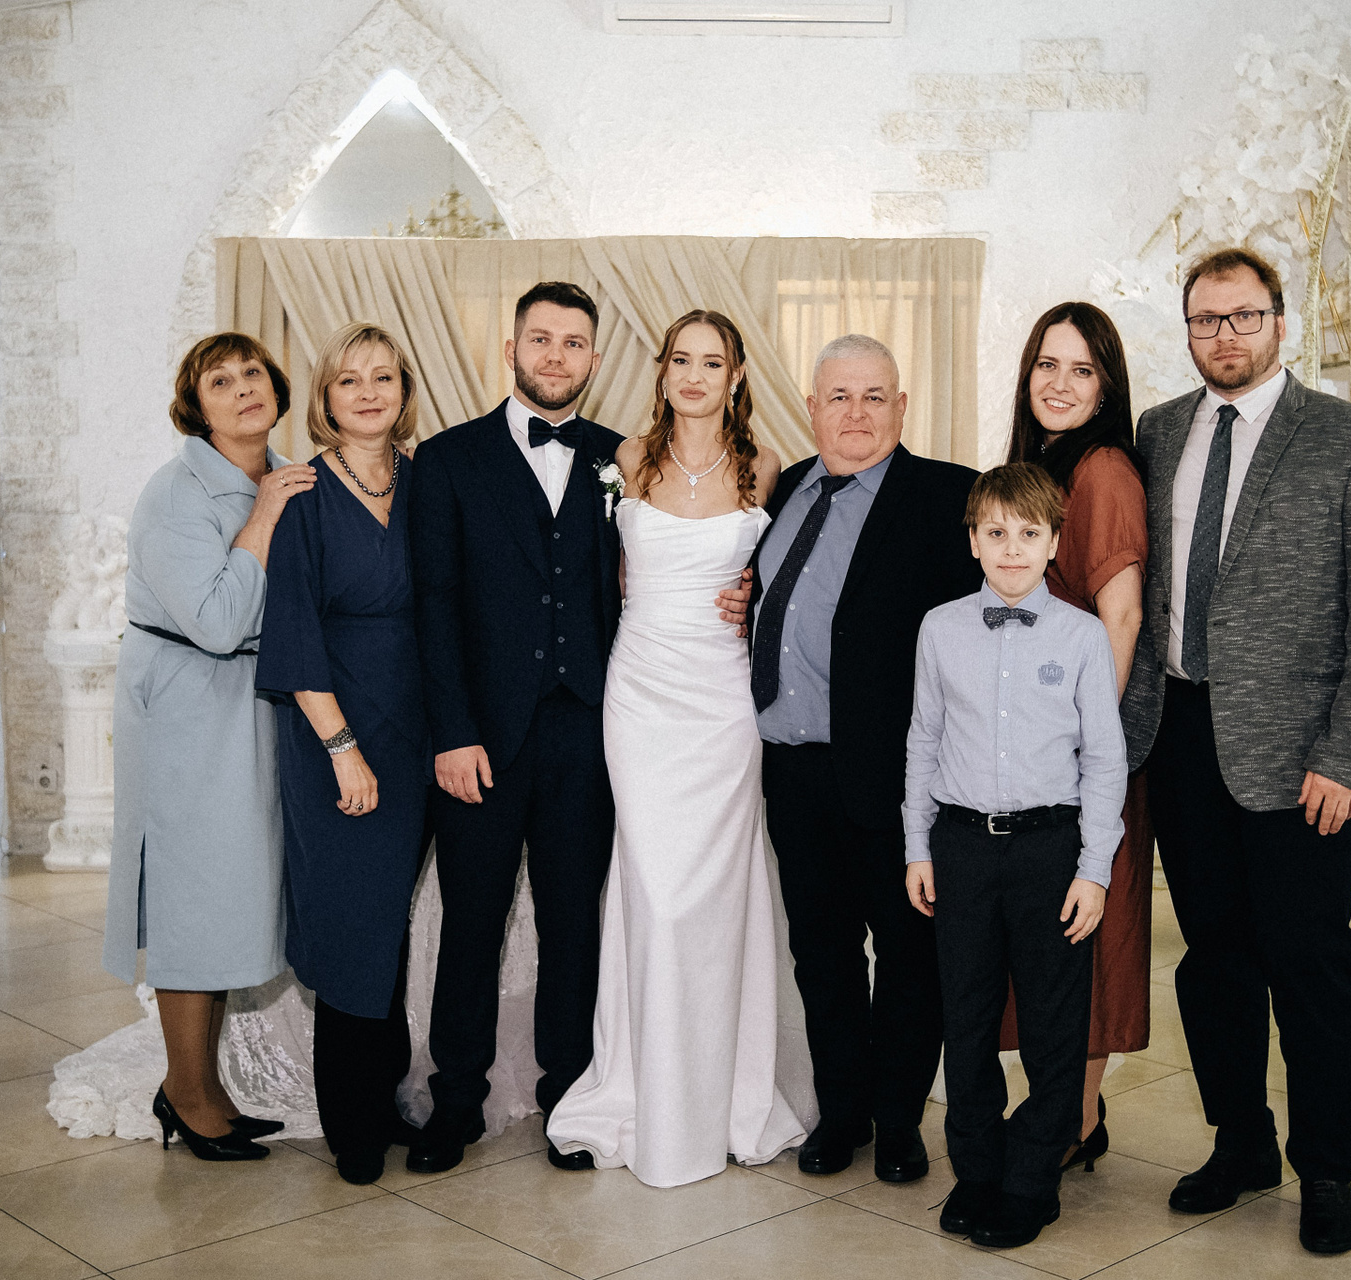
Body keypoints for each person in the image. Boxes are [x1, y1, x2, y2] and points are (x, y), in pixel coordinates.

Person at [407, 282, 749, 1176]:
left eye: (572, 344)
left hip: (596, 731)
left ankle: (572, 1098)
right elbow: (433, 607)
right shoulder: (447, 460)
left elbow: (670, 563)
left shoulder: (626, 458)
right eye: (540, 339)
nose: (555, 357)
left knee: (574, 924)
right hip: (482, 737)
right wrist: (451, 733)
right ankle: (455, 1101)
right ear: (511, 350)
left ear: (596, 360)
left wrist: (742, 594)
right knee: (472, 922)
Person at [1120, 247, 1351, 1255]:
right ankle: (1240, 1141)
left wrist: (1349, 754)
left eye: (1243, 316)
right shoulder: (1160, 431)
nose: (1225, 336)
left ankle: (1325, 1168)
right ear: (1188, 330)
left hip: (1301, 760)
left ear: (1280, 323)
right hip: (1180, 738)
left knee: (1310, 964)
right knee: (1213, 961)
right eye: (1206, 320)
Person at [546, 309, 808, 1186]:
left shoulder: (767, 468)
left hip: (723, 701)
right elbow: (598, 575)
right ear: (661, 371)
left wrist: (753, 595)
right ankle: (643, 1087)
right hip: (641, 695)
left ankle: (723, 1093)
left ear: (737, 376)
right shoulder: (625, 460)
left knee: (716, 894)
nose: (695, 376)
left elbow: (789, 579)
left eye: (713, 362)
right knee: (653, 889)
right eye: (681, 360)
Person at [752, 334, 983, 1182]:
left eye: (874, 396)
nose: (856, 413)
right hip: (792, 770)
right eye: (839, 397)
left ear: (902, 408)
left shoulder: (949, 497)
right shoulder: (783, 492)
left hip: (898, 777)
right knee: (822, 955)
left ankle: (898, 1122)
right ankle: (841, 1113)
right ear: (811, 408)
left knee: (909, 957)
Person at [102, 332, 317, 1161]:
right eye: (219, 381)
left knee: (228, 891)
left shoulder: (287, 471)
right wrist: (263, 517)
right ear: (196, 407)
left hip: (252, 702)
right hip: (188, 702)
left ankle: (203, 1085)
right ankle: (187, 1096)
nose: (242, 389)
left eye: (252, 373)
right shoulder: (175, 495)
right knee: (192, 896)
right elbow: (221, 621)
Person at [904, 462, 1127, 1248]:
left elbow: (1105, 759)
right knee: (965, 1018)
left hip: (1050, 852)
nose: (1011, 548)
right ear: (972, 540)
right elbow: (923, 741)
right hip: (962, 846)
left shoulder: (1083, 636)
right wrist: (917, 846)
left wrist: (1093, 869)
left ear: (1054, 542)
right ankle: (976, 1170)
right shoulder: (940, 628)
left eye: (1029, 533)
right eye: (995, 532)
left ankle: (1033, 1176)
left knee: (1051, 1022)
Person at [255, 323, 428, 1186]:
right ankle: (349, 1121)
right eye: (349, 380)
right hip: (338, 738)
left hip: (418, 738)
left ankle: (383, 1098)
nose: (367, 393)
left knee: (387, 923)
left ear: (404, 391)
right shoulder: (303, 494)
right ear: (325, 397)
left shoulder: (424, 481)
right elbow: (291, 635)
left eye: (382, 378)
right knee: (350, 923)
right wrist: (342, 749)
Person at [1004, 301, 1151, 1170]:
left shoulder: (1102, 471)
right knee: (1051, 939)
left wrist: (1085, 749)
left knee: (1083, 940)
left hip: (1080, 761)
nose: (1060, 384)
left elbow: (1119, 619)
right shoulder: (1044, 468)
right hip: (1036, 755)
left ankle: (1074, 1121)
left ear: (1107, 388)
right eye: (1047, 365)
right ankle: (1066, 1111)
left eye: (1082, 370)